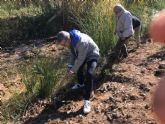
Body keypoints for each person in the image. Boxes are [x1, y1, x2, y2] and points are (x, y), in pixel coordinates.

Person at [56, 29, 100, 114]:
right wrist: (70, 66)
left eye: (64, 44)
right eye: (62, 45)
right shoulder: (70, 41)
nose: (64, 46)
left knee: (89, 74)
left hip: (92, 54)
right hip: (81, 55)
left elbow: (80, 60)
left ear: (68, 39)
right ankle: (80, 84)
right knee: (78, 69)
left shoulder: (81, 42)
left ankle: (87, 101)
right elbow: (73, 55)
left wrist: (72, 71)